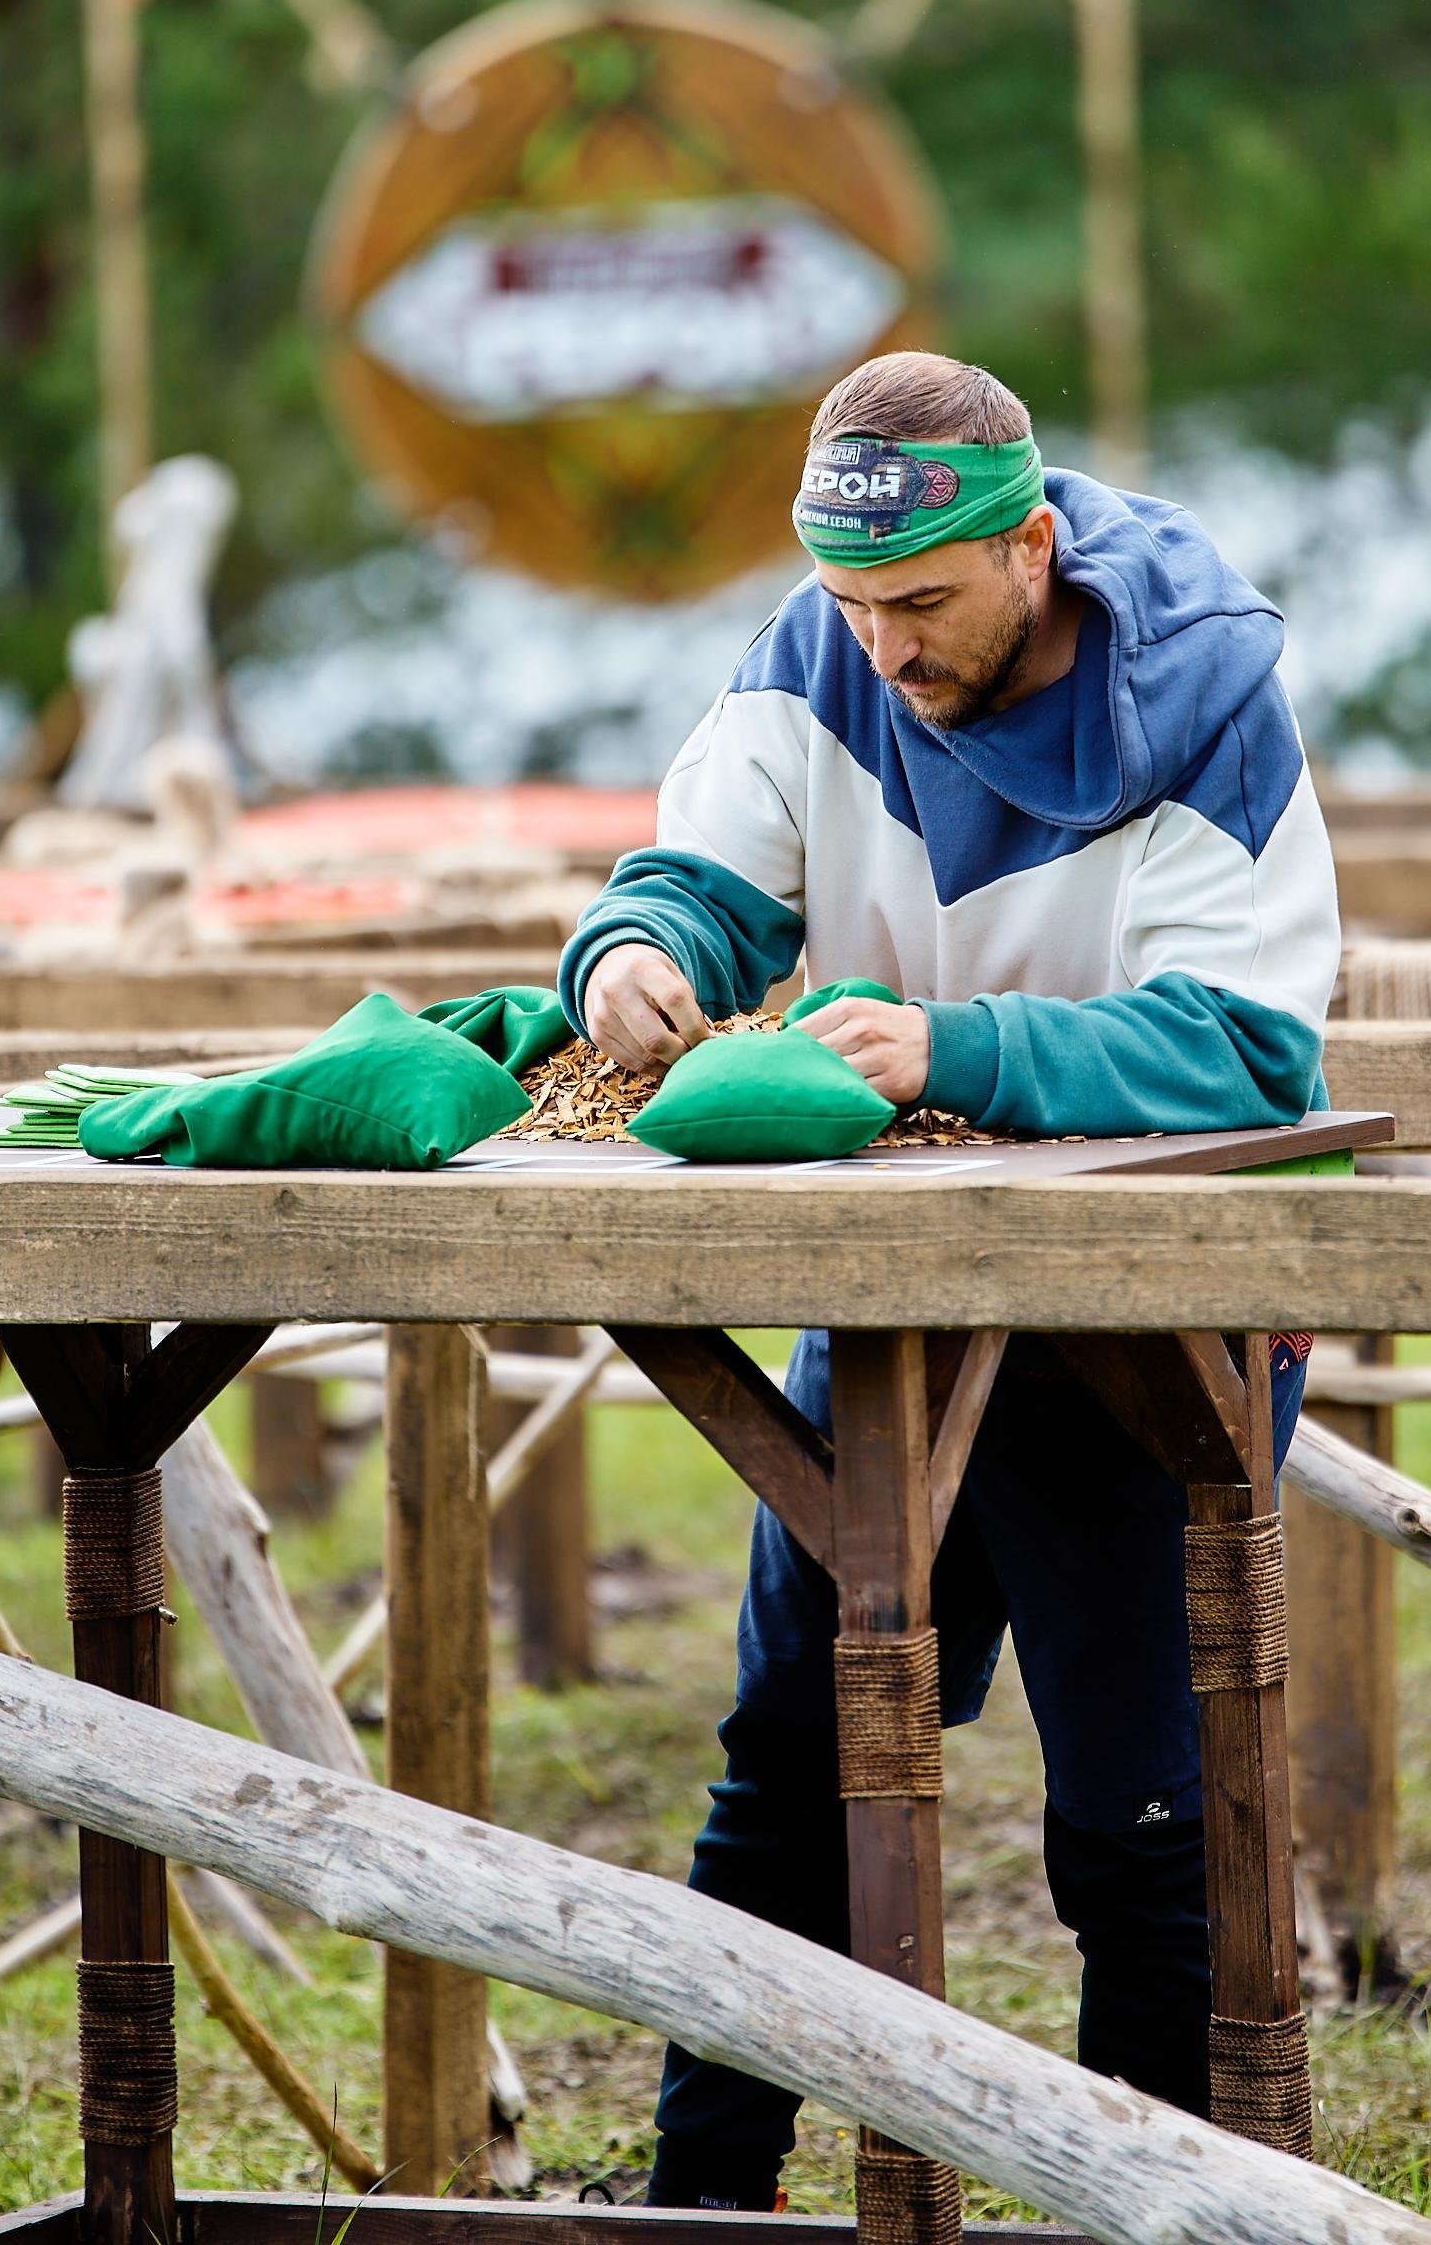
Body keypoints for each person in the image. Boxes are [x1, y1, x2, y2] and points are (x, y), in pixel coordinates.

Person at [556, 351, 1340, 2210]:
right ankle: (706, 2207)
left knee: (1138, 1823)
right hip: (901, 1305)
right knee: (793, 1771)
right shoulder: (813, 655)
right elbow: (702, 871)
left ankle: (1168, 2206)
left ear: (1035, 548)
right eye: (854, 606)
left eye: (921, 605)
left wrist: (958, 1051)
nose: (885, 649)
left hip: (1141, 1331)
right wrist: (632, 956)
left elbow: (1248, 1050)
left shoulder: (1210, 704)